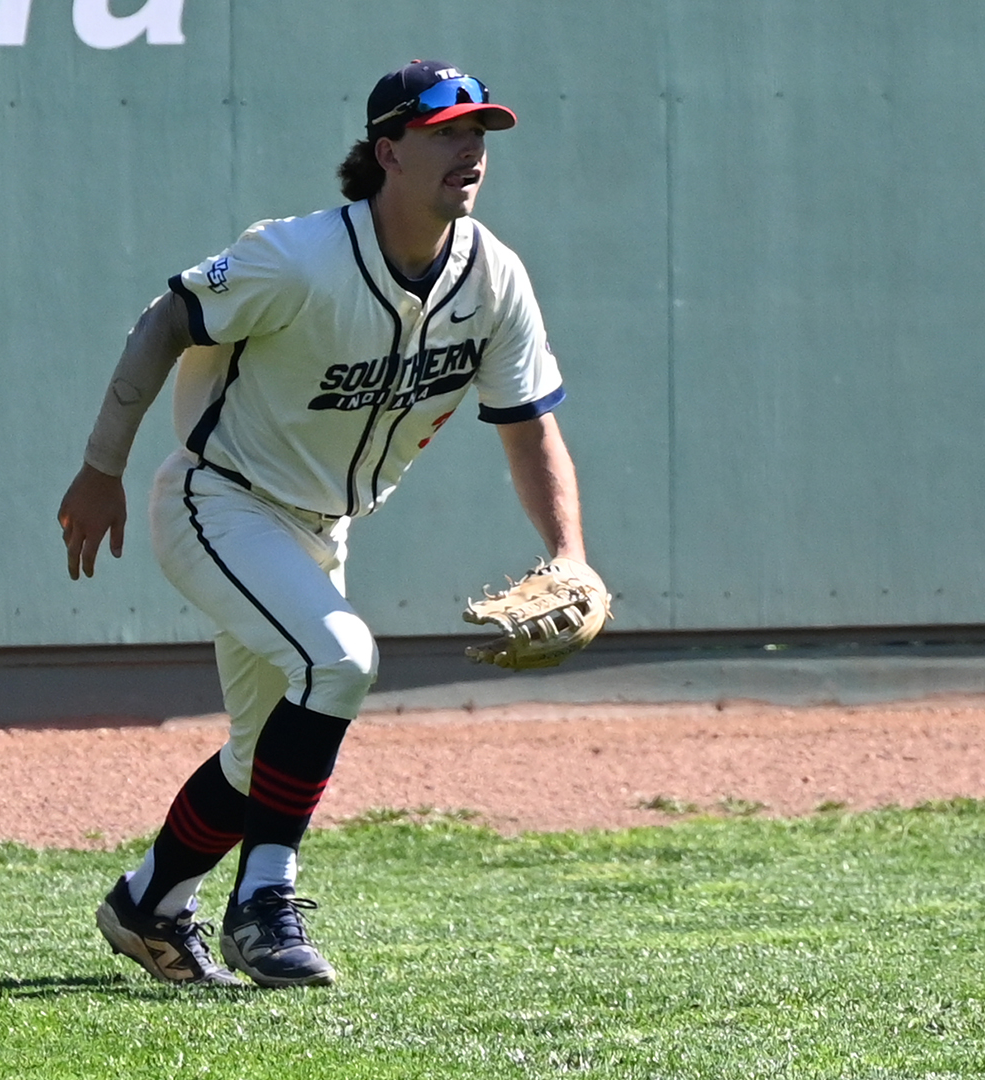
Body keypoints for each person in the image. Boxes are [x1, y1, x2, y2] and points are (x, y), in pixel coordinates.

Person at [57, 59, 589, 988]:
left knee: (265, 748)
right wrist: (102, 468)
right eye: (447, 132)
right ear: (387, 150)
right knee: (340, 661)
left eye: (481, 133)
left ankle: (146, 903)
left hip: (319, 528)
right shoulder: (299, 255)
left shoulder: (494, 277)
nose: (471, 150)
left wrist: (571, 557)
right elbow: (164, 322)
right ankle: (265, 902)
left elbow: (529, 425)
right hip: (216, 500)